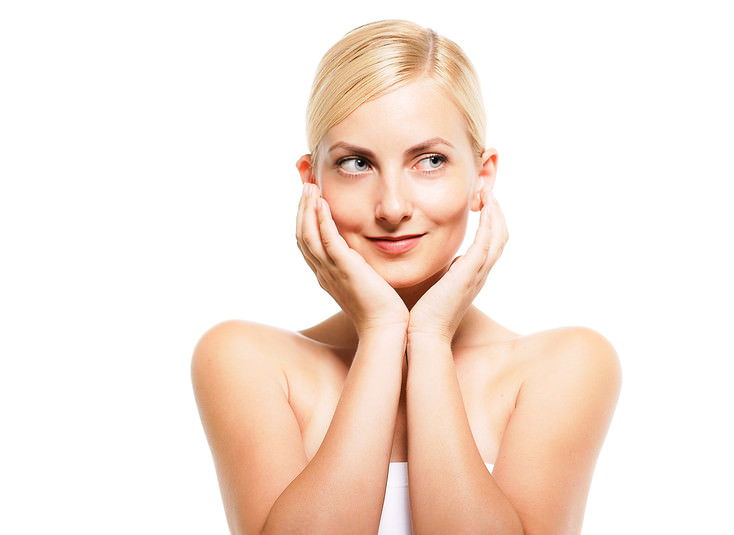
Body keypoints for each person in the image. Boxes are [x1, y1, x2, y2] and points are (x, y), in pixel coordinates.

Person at [192, 19, 621, 535]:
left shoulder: (564, 367)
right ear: (312, 182)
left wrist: (431, 336)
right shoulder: (246, 361)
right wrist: (382, 331)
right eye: (356, 163)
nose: (392, 207)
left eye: (430, 160)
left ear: (481, 178)